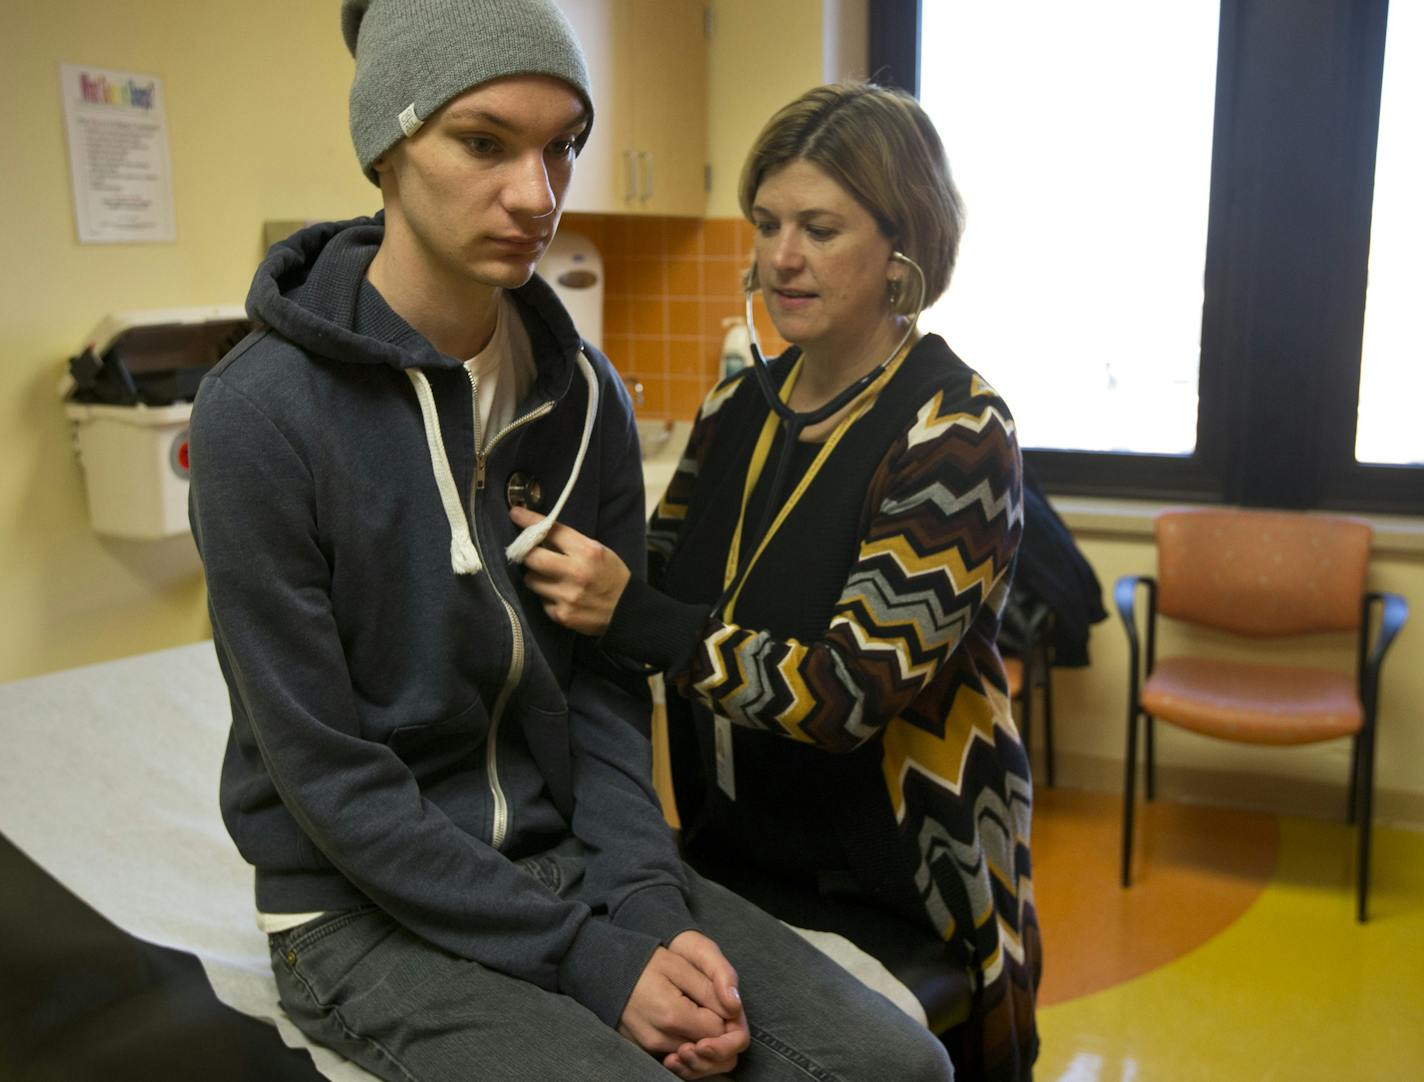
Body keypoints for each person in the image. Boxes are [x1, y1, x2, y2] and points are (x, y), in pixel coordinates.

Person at [188, 4, 953, 1080]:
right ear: (387, 146)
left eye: (561, 147)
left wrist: (642, 903)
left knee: (896, 1066)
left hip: (569, 861)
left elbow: (599, 689)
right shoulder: (262, 416)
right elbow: (326, 772)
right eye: (484, 142)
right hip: (358, 911)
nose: (537, 194)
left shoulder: (583, 397)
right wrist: (588, 959)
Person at [515, 82, 1041, 1081]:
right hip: (728, 858)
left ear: (902, 247)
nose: (780, 257)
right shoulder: (735, 408)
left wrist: (634, 612)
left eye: (818, 226)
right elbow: (654, 575)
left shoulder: (955, 432)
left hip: (896, 882)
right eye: (765, 224)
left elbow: (844, 694)